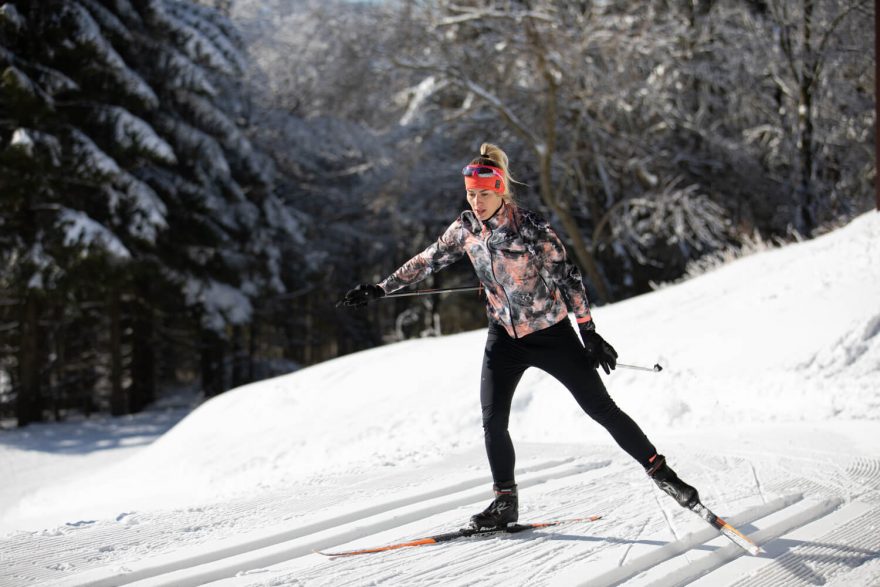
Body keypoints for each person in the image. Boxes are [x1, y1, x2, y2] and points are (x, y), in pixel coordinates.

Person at [341, 142, 699, 530]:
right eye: (471, 194)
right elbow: (427, 260)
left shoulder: (528, 227)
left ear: (500, 191)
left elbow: (568, 276)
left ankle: (664, 475)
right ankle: (505, 502)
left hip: (551, 334)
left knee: (601, 409)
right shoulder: (464, 230)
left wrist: (589, 332)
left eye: (484, 194)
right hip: (504, 338)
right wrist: (381, 288)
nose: (476, 202)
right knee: (493, 420)